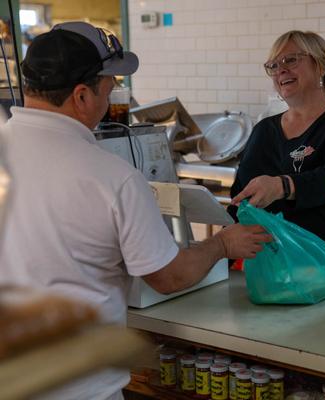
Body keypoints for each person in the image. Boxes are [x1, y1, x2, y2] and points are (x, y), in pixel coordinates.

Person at [0, 21, 270, 400]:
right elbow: (169, 277)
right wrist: (222, 245)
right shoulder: (113, 178)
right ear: (81, 96)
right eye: (109, 90)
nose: (112, 102)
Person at [229, 30, 325, 291]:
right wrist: (214, 256)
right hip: (282, 278)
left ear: (320, 65)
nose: (280, 71)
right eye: (273, 66)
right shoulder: (264, 131)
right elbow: (240, 203)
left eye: (291, 60)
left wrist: (282, 186)